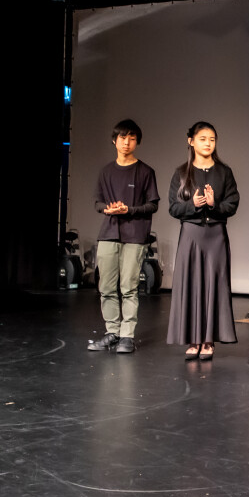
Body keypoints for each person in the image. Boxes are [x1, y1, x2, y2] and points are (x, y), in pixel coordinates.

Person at [167, 121, 240, 360]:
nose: (208, 143)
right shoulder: (181, 172)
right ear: (191, 141)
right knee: (191, 285)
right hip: (191, 235)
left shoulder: (224, 172)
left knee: (214, 286)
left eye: (212, 139)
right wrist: (193, 205)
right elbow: (174, 208)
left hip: (216, 235)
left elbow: (232, 204)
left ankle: (208, 341)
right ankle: (193, 340)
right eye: (203, 139)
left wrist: (213, 204)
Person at [89, 119, 160, 354]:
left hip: (135, 235)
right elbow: (98, 202)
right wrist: (107, 209)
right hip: (109, 233)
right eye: (122, 137)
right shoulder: (106, 171)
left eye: (132, 138)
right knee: (106, 287)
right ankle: (112, 332)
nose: (126, 142)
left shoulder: (145, 171)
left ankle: (127, 336)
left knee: (129, 287)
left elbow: (152, 205)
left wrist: (129, 210)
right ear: (114, 140)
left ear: (137, 142)